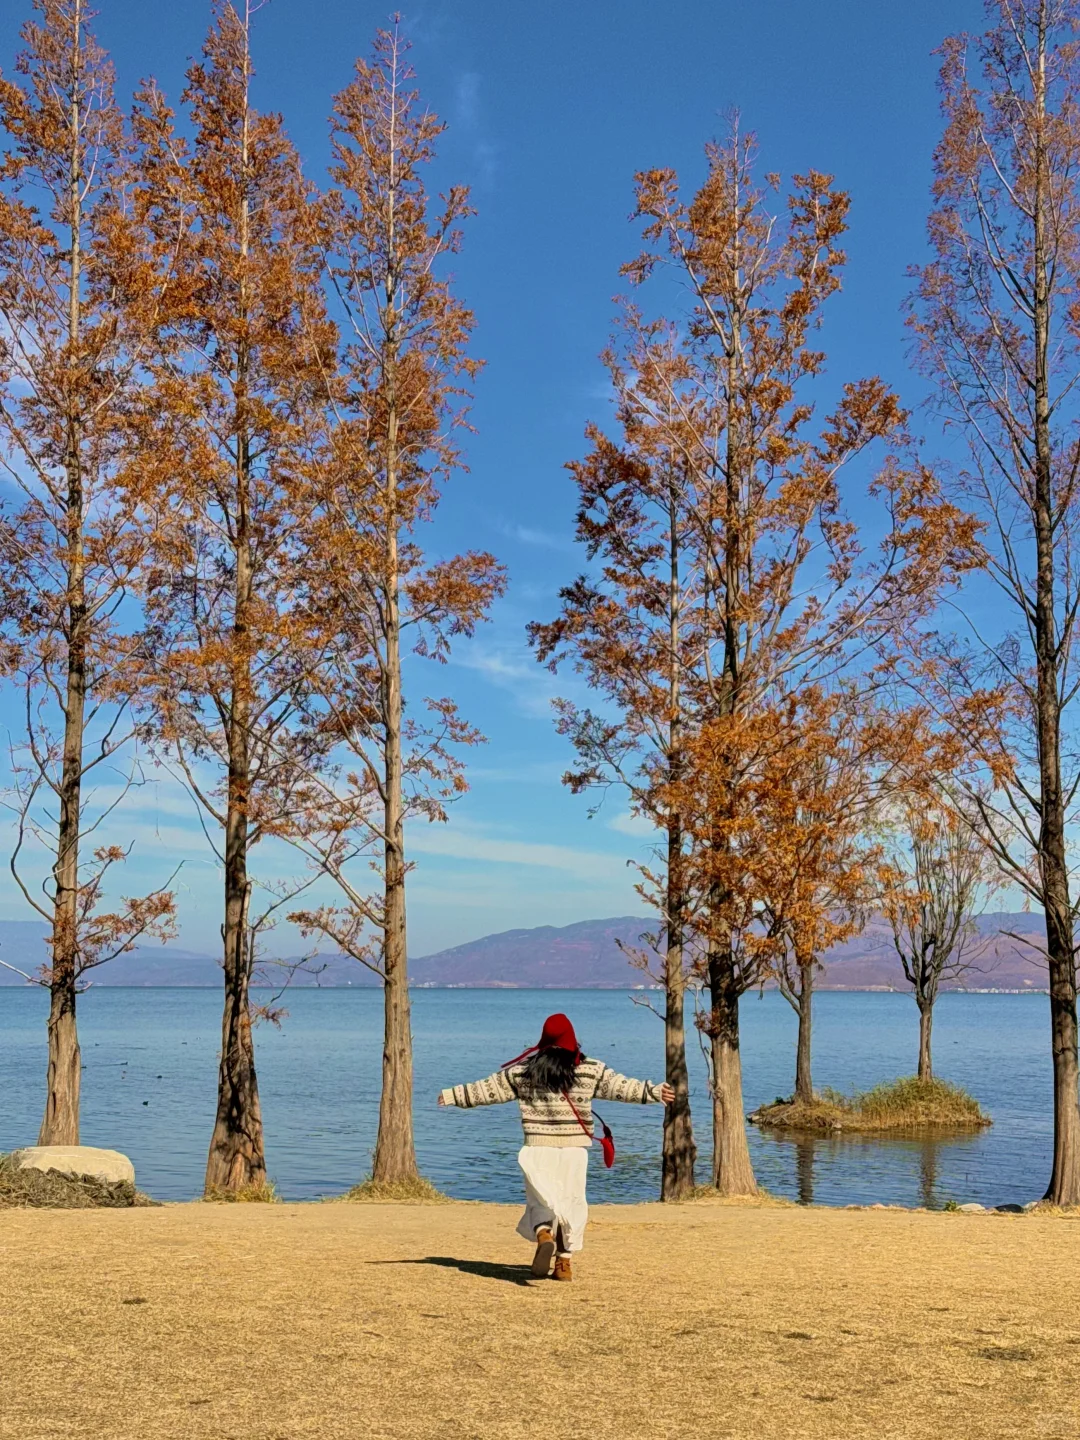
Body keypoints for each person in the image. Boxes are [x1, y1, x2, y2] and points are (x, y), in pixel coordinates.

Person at [437, 1011, 673, 1281]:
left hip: (537, 1150)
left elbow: (490, 1089)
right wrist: (652, 1092)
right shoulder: (590, 1070)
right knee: (570, 1204)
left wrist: (453, 1095)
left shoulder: (525, 1072)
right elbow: (620, 1087)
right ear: (573, 1039)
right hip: (573, 1151)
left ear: (544, 1039)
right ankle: (564, 1262)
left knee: (541, 1202)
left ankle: (543, 1234)